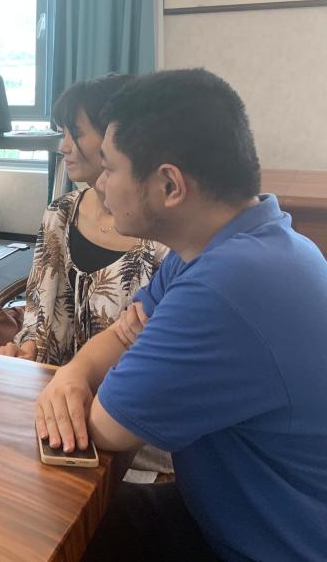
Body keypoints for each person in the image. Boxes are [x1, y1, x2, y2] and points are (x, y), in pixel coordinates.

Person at [34, 69, 327, 562]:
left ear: (169, 184)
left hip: (267, 546)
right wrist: (74, 372)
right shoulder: (230, 243)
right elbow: (114, 340)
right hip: (221, 512)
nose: (101, 184)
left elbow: (107, 427)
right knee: (51, 518)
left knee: (38, 528)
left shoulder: (229, 283)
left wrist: (120, 353)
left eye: (111, 168)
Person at [0, 75, 168, 365]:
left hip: (124, 384)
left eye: (74, 133)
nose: (64, 146)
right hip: (54, 381)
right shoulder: (60, 213)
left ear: (115, 136)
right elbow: (38, 308)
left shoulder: (162, 237)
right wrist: (25, 350)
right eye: (62, 133)